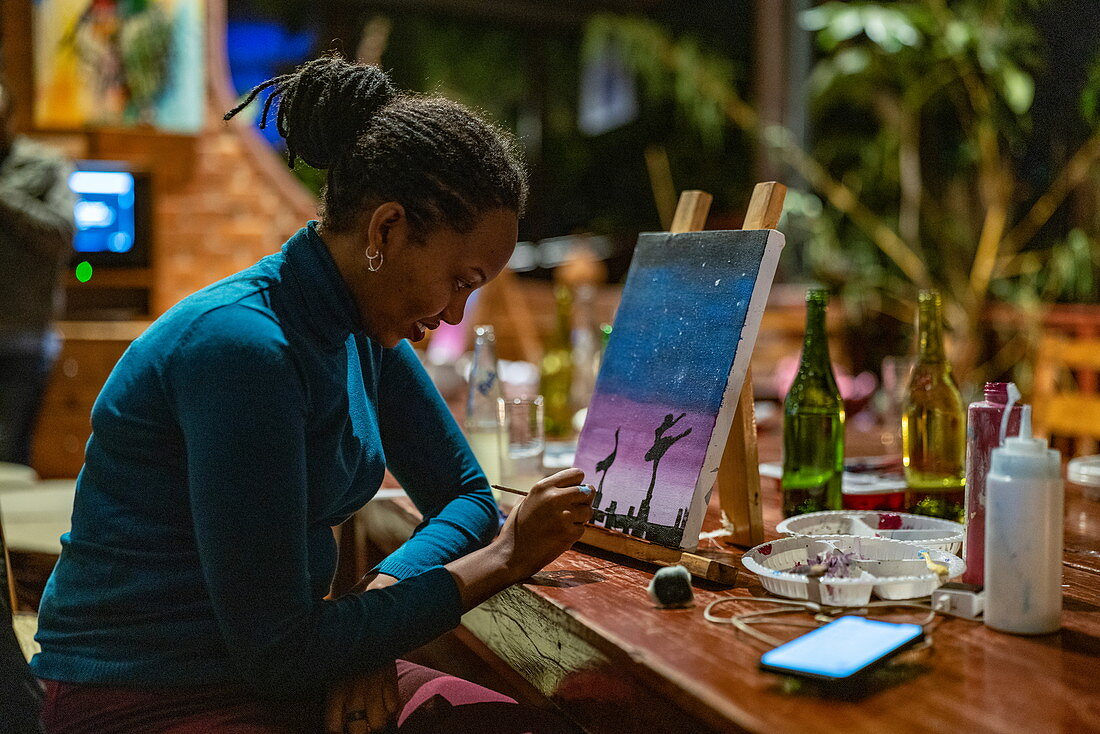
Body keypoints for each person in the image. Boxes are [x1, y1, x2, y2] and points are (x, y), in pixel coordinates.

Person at [30, 54, 592, 733]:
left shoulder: (362, 326)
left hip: (271, 665)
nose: (454, 316)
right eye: (459, 280)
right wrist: (503, 560)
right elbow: (280, 654)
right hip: (146, 694)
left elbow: (467, 497)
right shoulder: (244, 350)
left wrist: (374, 617)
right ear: (385, 231)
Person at [0, 79, 76, 466]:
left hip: (22, 338)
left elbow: (62, 235)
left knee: (8, 456)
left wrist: (5, 199)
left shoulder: (45, 165)